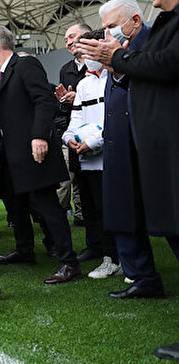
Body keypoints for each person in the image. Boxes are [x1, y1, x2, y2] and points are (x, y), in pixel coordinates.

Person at [76, 0, 179, 362]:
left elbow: (162, 68)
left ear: (135, 21)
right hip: (132, 136)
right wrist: (113, 59)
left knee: (169, 217)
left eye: (112, 26)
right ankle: (141, 275)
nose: (107, 34)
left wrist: (117, 57)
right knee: (132, 208)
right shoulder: (163, 26)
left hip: (158, 140)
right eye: (102, 27)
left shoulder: (156, 36)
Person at [0, 26, 81, 285]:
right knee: (18, 206)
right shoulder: (3, 76)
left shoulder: (26, 65)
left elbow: (43, 100)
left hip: (32, 151)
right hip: (10, 155)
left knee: (47, 206)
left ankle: (69, 262)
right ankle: (24, 250)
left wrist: (39, 136)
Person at [62, 29, 120, 279]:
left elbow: (117, 119)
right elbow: (75, 120)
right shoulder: (84, 85)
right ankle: (108, 258)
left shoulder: (115, 79)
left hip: (113, 157)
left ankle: (124, 258)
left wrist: (96, 140)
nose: (88, 55)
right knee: (96, 210)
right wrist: (71, 139)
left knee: (118, 210)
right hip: (88, 161)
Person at [55, 24, 92, 229]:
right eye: (65, 40)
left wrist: (79, 99)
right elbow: (64, 107)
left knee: (89, 184)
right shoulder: (66, 70)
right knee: (69, 179)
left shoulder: (101, 66)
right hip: (72, 133)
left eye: (72, 37)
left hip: (98, 133)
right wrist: (65, 101)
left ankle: (84, 217)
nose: (68, 42)